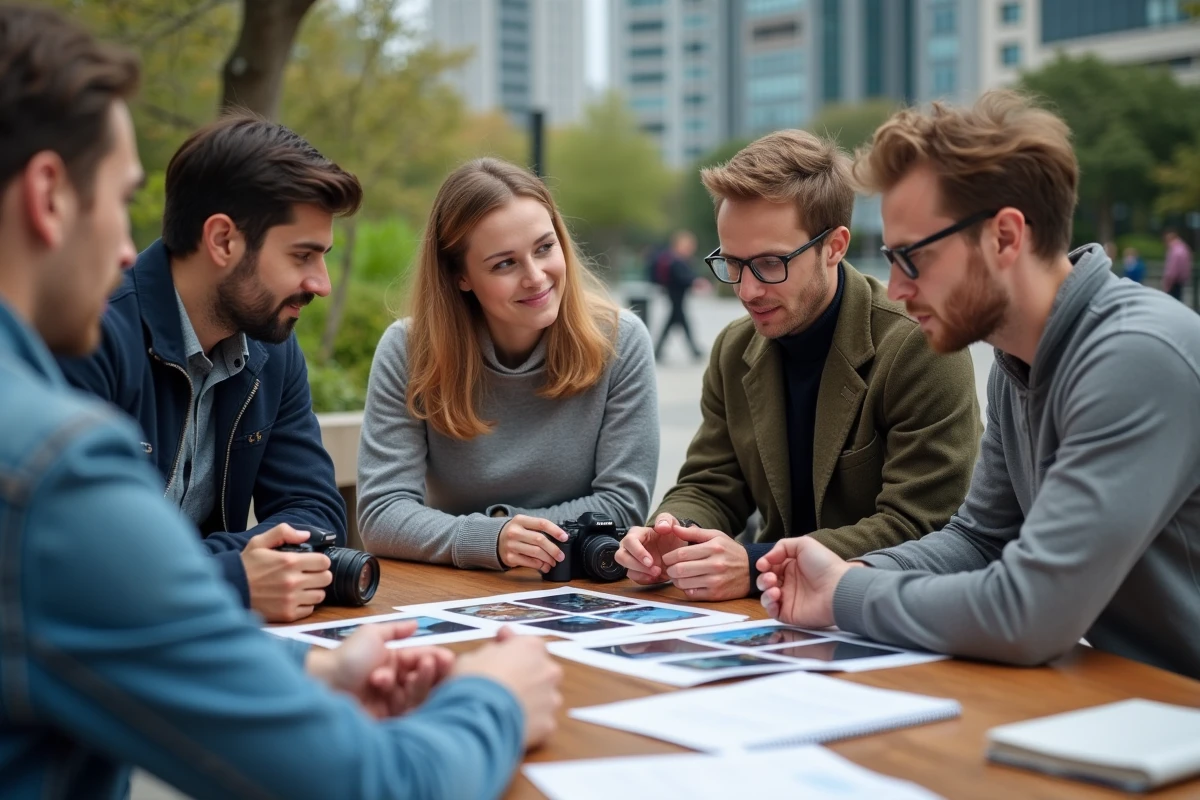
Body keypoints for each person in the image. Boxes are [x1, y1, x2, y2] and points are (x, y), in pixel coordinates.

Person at [0, 5, 562, 798]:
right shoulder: (49, 460)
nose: (129, 248)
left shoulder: (264, 351)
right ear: (50, 195)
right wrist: (496, 698)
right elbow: (369, 785)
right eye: (116, 199)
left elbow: (117, 614)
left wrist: (311, 663)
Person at [757, 90, 1200, 681]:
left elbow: (1029, 613)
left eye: (912, 258)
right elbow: (980, 539)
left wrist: (848, 593)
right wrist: (844, 569)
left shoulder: (1137, 355)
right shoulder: (1021, 360)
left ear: (1005, 237)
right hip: (1123, 702)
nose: (895, 288)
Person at [615, 129, 981, 602]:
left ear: (835, 246)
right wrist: (673, 532)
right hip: (776, 618)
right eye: (731, 263)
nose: (746, 291)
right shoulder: (733, 349)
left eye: (769, 263)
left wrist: (752, 564)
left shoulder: (919, 344)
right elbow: (711, 484)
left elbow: (922, 524)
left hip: (890, 611)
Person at [57, 115, 356, 623]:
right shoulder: (90, 334)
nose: (321, 283)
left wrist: (218, 568)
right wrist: (233, 576)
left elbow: (318, 515)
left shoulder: (272, 346)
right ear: (222, 241)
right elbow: (72, 559)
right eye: (303, 255)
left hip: (194, 638)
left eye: (323, 257)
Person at [357, 158, 659, 574]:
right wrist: (491, 539)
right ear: (460, 275)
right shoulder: (408, 351)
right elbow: (382, 515)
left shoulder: (621, 340)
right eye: (505, 263)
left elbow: (623, 505)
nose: (536, 277)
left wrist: (507, 532)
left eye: (544, 248)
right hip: (452, 587)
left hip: (581, 586)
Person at [650, 229, 707, 361]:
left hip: (677, 296)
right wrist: (695, 282)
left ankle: (659, 351)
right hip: (675, 295)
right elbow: (683, 277)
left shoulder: (676, 259)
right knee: (678, 320)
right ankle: (693, 350)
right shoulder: (676, 260)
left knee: (674, 321)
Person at [1162, 228, 1193, 301]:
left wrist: (1167, 283)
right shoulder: (1184, 248)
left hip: (1173, 282)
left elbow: (1172, 270)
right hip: (1181, 281)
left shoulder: (1175, 250)